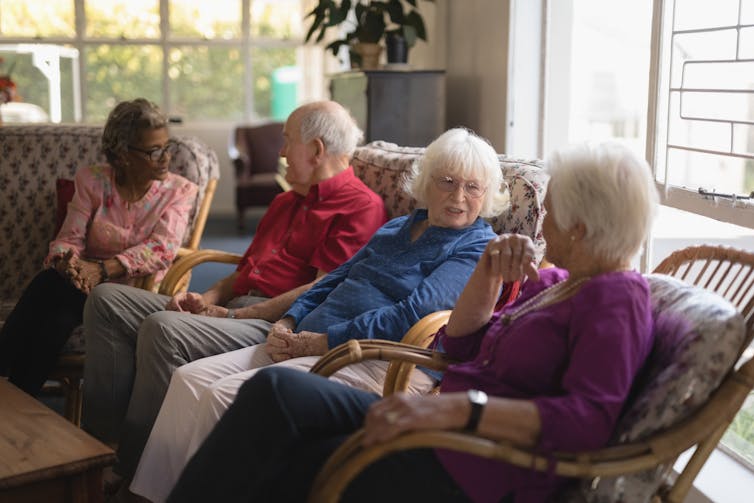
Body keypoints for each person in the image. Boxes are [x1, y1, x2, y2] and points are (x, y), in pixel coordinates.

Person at [166, 141, 660, 503]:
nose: (542, 226)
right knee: (273, 402)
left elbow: (589, 420)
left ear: (579, 225)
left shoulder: (617, 299)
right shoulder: (554, 283)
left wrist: (460, 411)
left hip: (474, 459)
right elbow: (459, 345)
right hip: (436, 423)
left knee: (280, 420)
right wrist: (489, 273)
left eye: (550, 214)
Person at [129, 127, 510, 503]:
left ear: (487, 194)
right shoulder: (398, 227)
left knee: (226, 395)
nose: (459, 196)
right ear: (427, 182)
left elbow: (411, 315)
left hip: (375, 358)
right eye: (447, 181)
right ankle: (152, 495)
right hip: (308, 341)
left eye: (473, 187)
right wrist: (288, 321)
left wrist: (321, 340)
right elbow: (335, 278)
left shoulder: (475, 246)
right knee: (189, 379)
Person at [82, 100, 387, 487]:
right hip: (233, 308)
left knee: (164, 328)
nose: (278, 153)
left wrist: (235, 315)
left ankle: (129, 472)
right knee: (108, 299)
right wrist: (208, 297)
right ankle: (99, 449)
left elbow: (321, 290)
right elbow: (244, 270)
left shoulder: (359, 207)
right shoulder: (285, 200)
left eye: (286, 141)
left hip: (272, 323)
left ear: (316, 149)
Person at [0, 98, 197, 397]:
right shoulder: (92, 180)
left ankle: (11, 393)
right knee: (57, 310)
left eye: (166, 147)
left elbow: (162, 248)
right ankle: (19, 402)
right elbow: (70, 236)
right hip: (81, 288)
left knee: (51, 295)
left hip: (137, 294)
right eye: (154, 150)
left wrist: (101, 270)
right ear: (123, 154)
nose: (165, 158)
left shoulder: (179, 191)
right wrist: (67, 263)